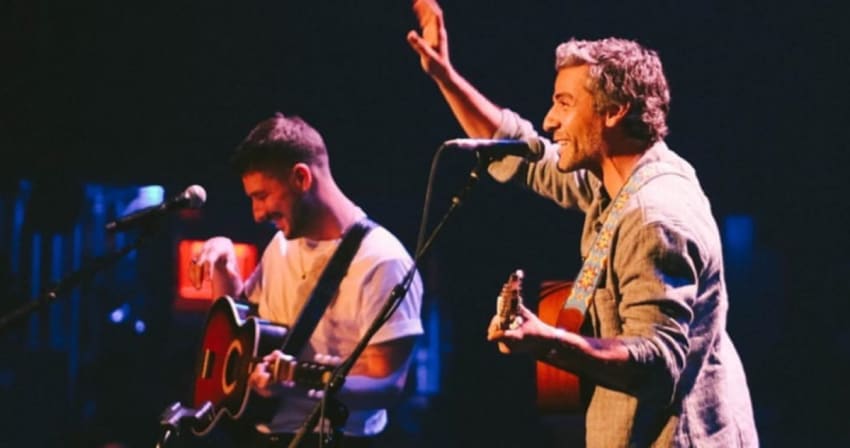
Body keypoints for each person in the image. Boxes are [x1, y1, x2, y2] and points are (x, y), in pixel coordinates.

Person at [407, 1, 758, 446]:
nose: (550, 119)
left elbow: (656, 360)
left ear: (613, 112)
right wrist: (445, 77)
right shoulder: (615, 180)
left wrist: (547, 342)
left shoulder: (655, 216)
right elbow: (522, 152)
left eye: (564, 103)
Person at [189, 112, 424, 447]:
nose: (257, 214)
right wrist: (225, 266)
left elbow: (387, 385)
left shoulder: (382, 261)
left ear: (301, 178)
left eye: (262, 196)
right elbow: (241, 338)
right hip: (263, 435)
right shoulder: (281, 244)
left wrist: (299, 381)